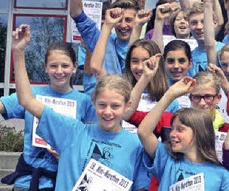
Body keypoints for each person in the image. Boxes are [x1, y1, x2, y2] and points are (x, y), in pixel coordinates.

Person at [10, 24, 149, 190]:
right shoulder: (71, 131)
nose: (108, 112)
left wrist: (148, 79)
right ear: (93, 102)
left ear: (128, 106)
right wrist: (18, 52)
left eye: (115, 106)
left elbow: (141, 187)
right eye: (102, 105)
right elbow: (27, 100)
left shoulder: (135, 145)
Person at [0, 39, 96, 190]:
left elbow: (93, 143)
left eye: (65, 65)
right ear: (45, 67)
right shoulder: (31, 95)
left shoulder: (84, 102)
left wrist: (67, 153)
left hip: (62, 182)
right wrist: (17, 51)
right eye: (53, 66)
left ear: (74, 67)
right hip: (26, 181)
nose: (59, 71)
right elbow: (3, 105)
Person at [138, 77, 229, 190]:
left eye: (180, 129)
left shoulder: (221, 174)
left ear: (199, 132)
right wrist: (170, 95)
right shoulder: (167, 160)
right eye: (172, 128)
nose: (172, 134)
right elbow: (143, 132)